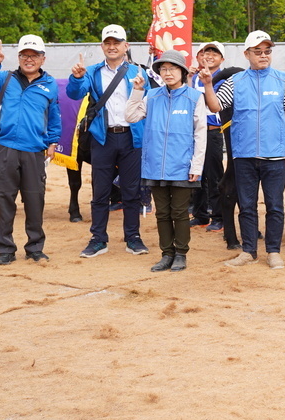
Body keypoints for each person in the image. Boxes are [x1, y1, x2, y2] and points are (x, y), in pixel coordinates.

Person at [203, 30, 285, 270]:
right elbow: (215, 105)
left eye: (267, 51)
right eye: (258, 51)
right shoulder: (235, 82)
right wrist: (207, 84)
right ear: (247, 54)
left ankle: (274, 251)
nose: (263, 55)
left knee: (274, 205)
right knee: (246, 206)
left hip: (275, 155)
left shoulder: (282, 79)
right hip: (244, 155)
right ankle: (248, 251)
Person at [0, 35, 62, 265]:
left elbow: (54, 116)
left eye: (34, 55)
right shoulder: (4, 78)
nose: (29, 59)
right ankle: (5, 249)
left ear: (43, 59)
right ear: (19, 57)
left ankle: (35, 248)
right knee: (4, 200)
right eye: (25, 55)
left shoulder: (50, 85)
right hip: (6, 149)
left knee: (35, 201)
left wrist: (53, 142)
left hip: (34, 151)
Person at [67, 24, 149, 258]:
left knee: (131, 191)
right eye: (108, 43)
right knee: (100, 191)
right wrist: (76, 78)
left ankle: (133, 237)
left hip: (132, 138)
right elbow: (75, 94)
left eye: (117, 43)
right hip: (102, 139)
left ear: (126, 46)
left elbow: (147, 104)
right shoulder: (91, 72)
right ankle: (98, 238)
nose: (112, 47)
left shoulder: (139, 72)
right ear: (102, 46)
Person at [125, 49, 208, 272]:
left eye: (172, 68)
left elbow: (201, 134)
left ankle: (181, 253)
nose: (168, 73)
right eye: (163, 69)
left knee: (179, 212)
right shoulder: (152, 96)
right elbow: (130, 116)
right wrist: (136, 91)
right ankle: (166, 254)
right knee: (162, 213)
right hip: (154, 166)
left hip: (182, 166)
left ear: (182, 71)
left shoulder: (194, 97)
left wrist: (196, 165)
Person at [189, 41, 229, 231]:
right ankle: (200, 214)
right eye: (205, 52)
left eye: (215, 53)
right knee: (195, 175)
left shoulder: (225, 78)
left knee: (214, 177)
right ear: (199, 57)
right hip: (194, 133)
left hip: (212, 132)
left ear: (222, 59)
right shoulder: (193, 77)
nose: (209, 56)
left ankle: (219, 217)